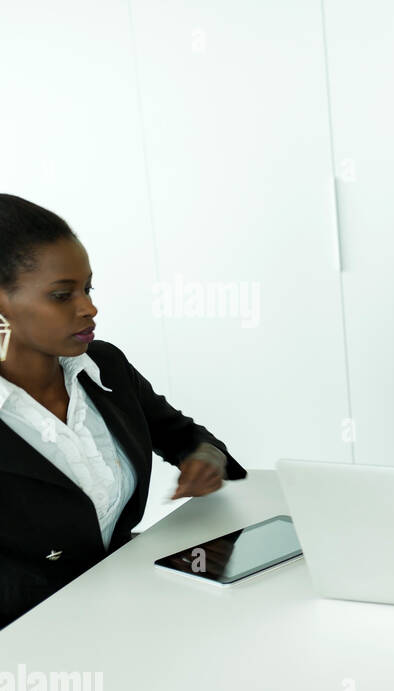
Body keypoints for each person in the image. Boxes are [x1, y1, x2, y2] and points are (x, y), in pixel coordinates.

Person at [0, 195, 244, 629]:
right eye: (61, 295)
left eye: (88, 288)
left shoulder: (105, 368)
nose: (89, 308)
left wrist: (204, 459)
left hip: (132, 608)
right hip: (30, 645)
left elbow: (186, 436)